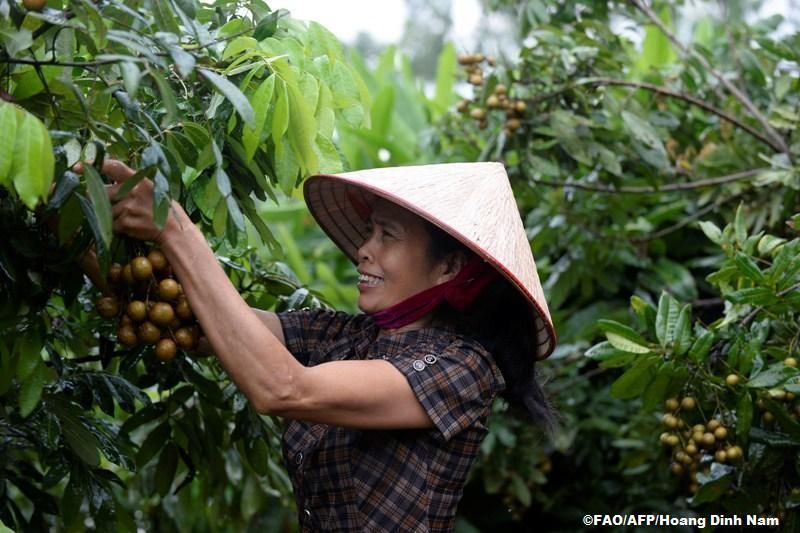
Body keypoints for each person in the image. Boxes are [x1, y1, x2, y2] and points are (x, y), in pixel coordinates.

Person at [98, 159, 556, 532]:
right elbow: (194, 322)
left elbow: (283, 387)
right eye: (369, 231)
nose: (364, 249)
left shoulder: (462, 368)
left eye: (387, 235)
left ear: (449, 267)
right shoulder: (351, 337)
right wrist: (83, 222)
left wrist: (176, 231)